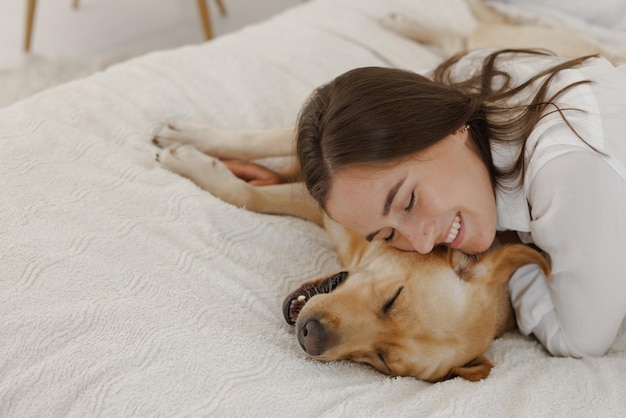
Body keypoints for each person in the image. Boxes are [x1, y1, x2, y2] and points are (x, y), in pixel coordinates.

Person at [232, 48, 626, 357]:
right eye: (386, 233)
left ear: (448, 130)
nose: (421, 244)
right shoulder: (463, 79)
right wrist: (293, 173)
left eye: (408, 201)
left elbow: (580, 342)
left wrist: (508, 262)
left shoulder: (572, 171)